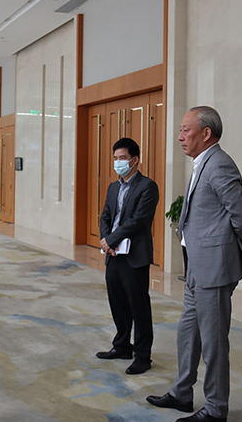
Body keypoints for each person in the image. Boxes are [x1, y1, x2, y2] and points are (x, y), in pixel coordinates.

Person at [147, 106, 242, 422]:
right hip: (196, 266)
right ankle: (182, 393)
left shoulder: (219, 164)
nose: (180, 136)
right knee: (188, 333)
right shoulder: (203, 163)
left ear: (206, 133)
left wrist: (239, 242)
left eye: (186, 130)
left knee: (213, 343)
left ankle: (215, 408)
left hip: (213, 268)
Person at [97, 138, 159, 375]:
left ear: (134, 160)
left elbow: (138, 221)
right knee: (117, 302)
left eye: (122, 158)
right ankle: (122, 346)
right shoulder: (113, 187)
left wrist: (111, 239)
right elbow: (106, 216)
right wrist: (106, 241)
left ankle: (143, 356)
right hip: (114, 255)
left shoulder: (148, 186)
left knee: (138, 305)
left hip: (134, 255)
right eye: (115, 158)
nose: (118, 163)